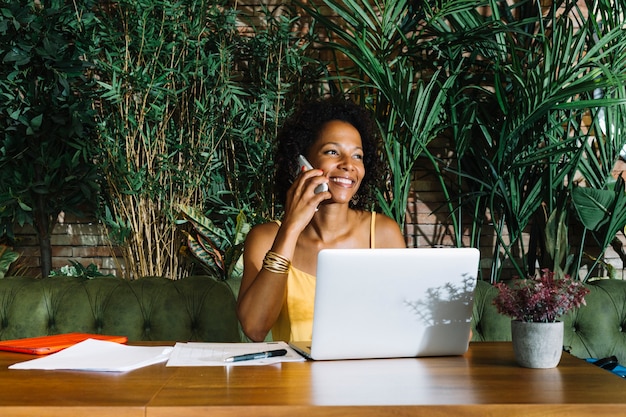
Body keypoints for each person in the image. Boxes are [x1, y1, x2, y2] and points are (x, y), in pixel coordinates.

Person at [236, 97, 407, 342]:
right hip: (293, 379)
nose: (349, 165)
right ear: (302, 162)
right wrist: (291, 227)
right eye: (333, 152)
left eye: (357, 156)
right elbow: (254, 328)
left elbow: (403, 320)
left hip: (366, 377)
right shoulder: (265, 238)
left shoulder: (382, 233)